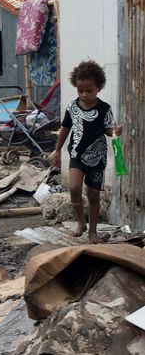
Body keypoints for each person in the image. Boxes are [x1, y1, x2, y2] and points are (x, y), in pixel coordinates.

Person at [48, 60, 122, 243]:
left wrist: (116, 131)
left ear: (98, 88)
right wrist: (57, 150)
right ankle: (81, 222)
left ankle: (93, 231)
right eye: (80, 90)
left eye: (89, 90)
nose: (84, 94)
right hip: (77, 155)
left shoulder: (104, 109)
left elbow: (108, 130)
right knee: (74, 188)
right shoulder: (72, 107)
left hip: (97, 158)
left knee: (94, 195)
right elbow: (65, 129)